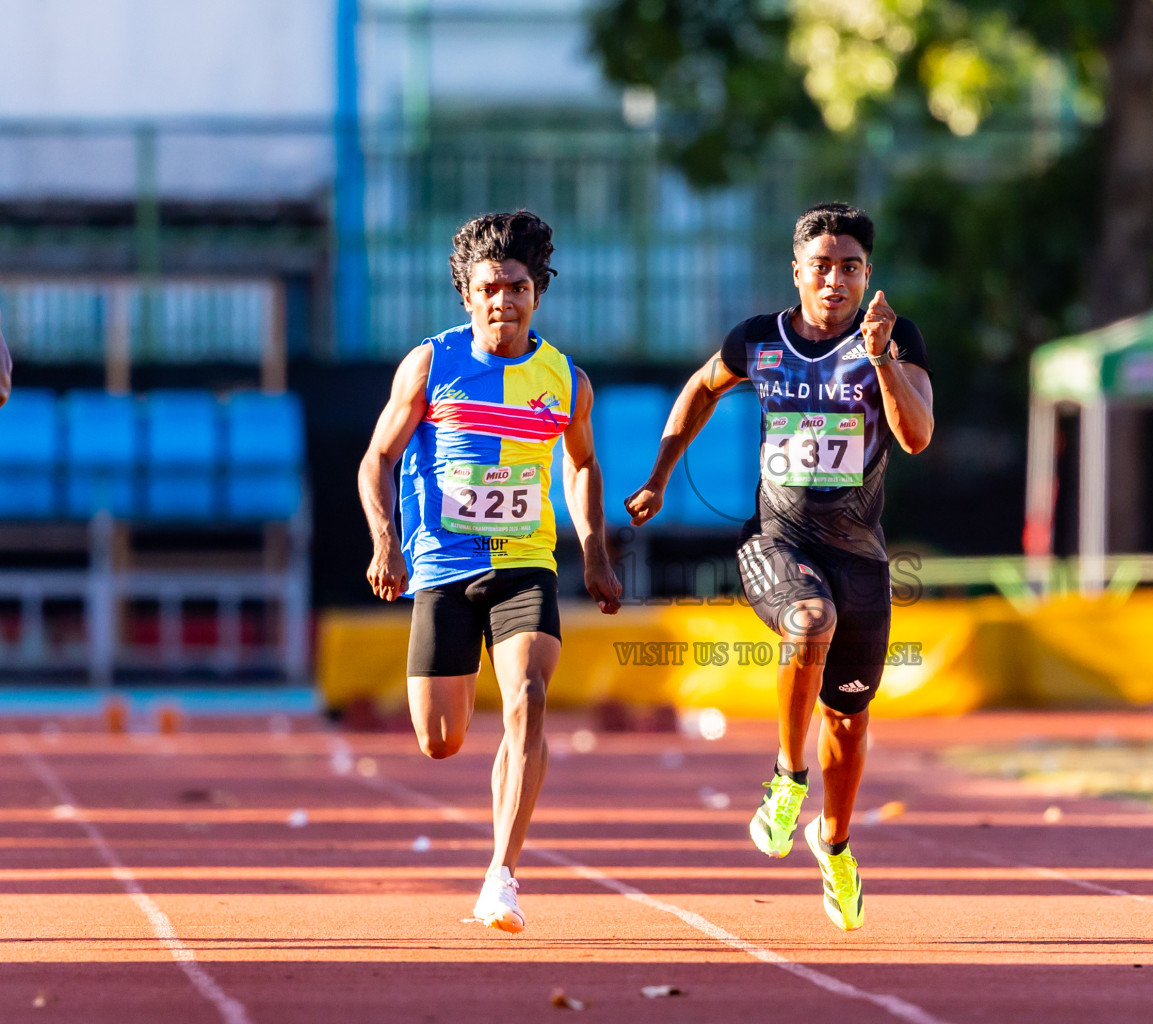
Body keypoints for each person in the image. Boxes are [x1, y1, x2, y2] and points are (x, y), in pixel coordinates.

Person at [625, 202, 934, 930]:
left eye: (850, 268)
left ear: (867, 275)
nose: (835, 281)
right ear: (797, 272)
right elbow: (702, 387)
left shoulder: (894, 338)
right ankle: (788, 778)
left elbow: (916, 436)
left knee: (848, 721)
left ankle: (836, 844)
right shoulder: (758, 340)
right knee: (808, 619)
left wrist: (882, 358)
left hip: (859, 556)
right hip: (777, 540)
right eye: (821, 267)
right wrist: (660, 475)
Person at [358, 211, 622, 934]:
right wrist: (386, 543)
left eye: (517, 287)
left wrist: (595, 551)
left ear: (537, 293)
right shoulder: (430, 364)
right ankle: (491, 777)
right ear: (467, 296)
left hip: (524, 564)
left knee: (528, 697)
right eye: (489, 288)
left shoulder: (565, 379)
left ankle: (501, 875)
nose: (504, 300)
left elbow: (582, 464)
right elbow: (378, 458)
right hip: (443, 568)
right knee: (440, 740)